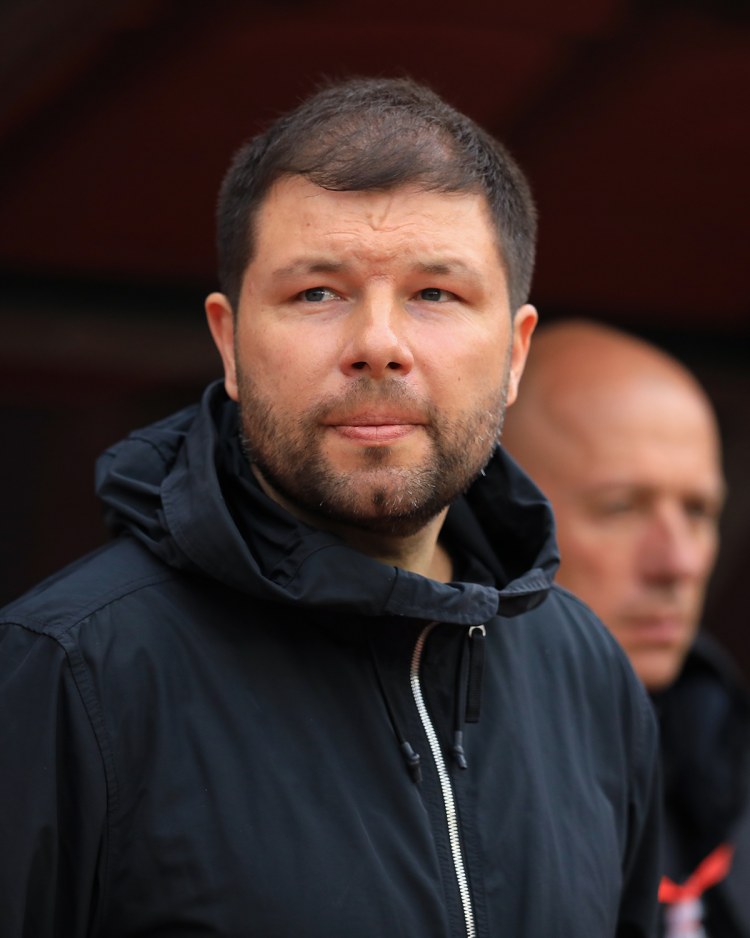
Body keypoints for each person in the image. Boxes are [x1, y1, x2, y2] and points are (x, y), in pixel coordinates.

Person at [0, 79, 661, 937]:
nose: (378, 345)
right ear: (229, 342)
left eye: (435, 294)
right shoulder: (66, 673)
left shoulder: (589, 678)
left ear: (514, 351)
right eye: (317, 292)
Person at [502, 318, 750, 937]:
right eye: (621, 508)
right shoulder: (434, 790)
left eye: (699, 511)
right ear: (499, 517)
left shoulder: (726, 761)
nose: (678, 563)